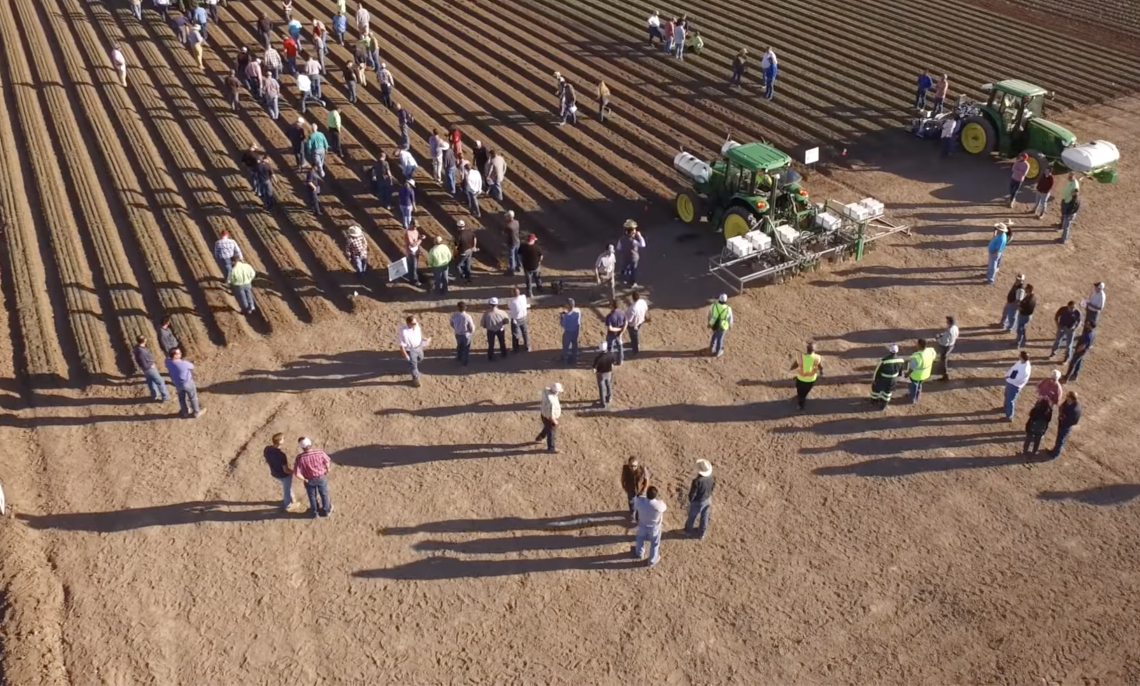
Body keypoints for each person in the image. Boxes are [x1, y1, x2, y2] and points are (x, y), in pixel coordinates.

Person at [294, 437, 332, 517]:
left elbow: (297, 473)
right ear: (310, 444)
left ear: (302, 447)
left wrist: (304, 479)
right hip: (321, 477)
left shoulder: (299, 458)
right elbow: (327, 460)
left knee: (312, 496)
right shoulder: (320, 452)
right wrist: (328, 468)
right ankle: (326, 511)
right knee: (324, 494)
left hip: (309, 480)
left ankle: (315, 512)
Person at [631, 486, 666, 567]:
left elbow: (637, 499)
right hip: (654, 527)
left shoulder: (640, 501)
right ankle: (652, 560)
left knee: (640, 538)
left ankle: (639, 553)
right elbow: (664, 507)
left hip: (642, 524)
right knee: (655, 543)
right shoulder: (659, 505)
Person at [166, 348, 205, 418]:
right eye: (179, 353)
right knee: (193, 397)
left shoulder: (167, 361)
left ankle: (184, 412)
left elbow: (167, 359)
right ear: (174, 355)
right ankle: (196, 412)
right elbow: (192, 366)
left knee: (181, 398)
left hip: (177, 383)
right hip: (187, 383)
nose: (181, 354)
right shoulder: (183, 363)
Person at [133, 335, 169, 402]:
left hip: (146, 370)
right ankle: (165, 397)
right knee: (160, 382)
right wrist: (151, 364)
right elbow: (143, 363)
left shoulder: (138, 348)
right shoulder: (141, 351)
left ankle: (154, 395)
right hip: (150, 369)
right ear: (144, 340)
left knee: (151, 382)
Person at [869, 344, 905, 410]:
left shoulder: (884, 361)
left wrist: (874, 380)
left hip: (883, 379)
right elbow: (900, 373)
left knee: (876, 390)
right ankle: (884, 405)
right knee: (888, 393)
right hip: (893, 380)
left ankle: (874, 401)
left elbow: (877, 371)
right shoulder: (901, 360)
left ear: (889, 351)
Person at [684, 460, 714, 539]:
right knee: (705, 517)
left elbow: (693, 493)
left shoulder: (697, 481)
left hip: (698, 501)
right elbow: (712, 487)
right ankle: (702, 533)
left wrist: (691, 499)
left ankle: (688, 531)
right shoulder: (712, 477)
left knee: (692, 516)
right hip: (707, 499)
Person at [264, 433, 294, 511]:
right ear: (280, 441)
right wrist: (294, 472)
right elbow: (286, 470)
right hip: (283, 475)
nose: (284, 439)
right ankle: (288, 505)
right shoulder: (281, 455)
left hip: (274, 473)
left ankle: (292, 497)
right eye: (283, 438)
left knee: (287, 486)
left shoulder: (267, 449)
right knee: (287, 489)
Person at [398, 315, 429, 387]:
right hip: (411, 350)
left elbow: (419, 334)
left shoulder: (416, 326)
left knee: (420, 358)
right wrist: (405, 355)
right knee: (414, 366)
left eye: (416, 322)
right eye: (413, 323)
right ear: (409, 324)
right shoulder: (403, 332)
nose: (415, 324)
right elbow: (401, 345)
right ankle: (415, 378)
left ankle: (412, 365)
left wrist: (424, 339)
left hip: (419, 347)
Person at [790, 342, 823, 410]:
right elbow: (820, 366)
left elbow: (795, 365)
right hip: (811, 379)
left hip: (801, 378)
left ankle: (800, 402)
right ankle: (802, 399)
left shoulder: (801, 357)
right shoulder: (817, 357)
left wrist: (791, 369)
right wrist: (821, 372)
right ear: (814, 350)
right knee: (805, 391)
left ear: (807, 349)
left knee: (799, 390)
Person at [1049, 392, 1081, 458]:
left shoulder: (1075, 410)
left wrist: (1063, 418)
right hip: (1062, 422)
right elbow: (1062, 406)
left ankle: (1055, 454)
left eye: (1068, 396)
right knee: (1058, 438)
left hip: (1066, 426)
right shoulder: (1067, 401)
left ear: (1072, 399)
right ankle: (1054, 450)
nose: (1066, 397)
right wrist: (1061, 414)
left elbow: (1074, 421)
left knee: (1061, 440)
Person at [1003, 350, 1032, 421]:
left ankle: (1009, 416)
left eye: (1020, 355)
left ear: (1022, 358)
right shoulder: (1021, 362)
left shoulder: (1025, 370)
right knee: (1007, 395)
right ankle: (1005, 407)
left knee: (1010, 400)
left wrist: (1009, 378)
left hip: (1014, 385)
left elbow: (1017, 379)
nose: (1018, 356)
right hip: (1010, 382)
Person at [907, 339, 936, 404]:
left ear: (919, 345)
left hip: (916, 375)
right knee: (920, 384)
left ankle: (913, 399)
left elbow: (912, 368)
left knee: (914, 386)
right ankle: (918, 395)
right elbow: (933, 357)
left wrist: (907, 374)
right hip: (926, 373)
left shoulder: (916, 357)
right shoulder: (930, 351)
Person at [536, 383, 562, 453]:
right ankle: (551, 448)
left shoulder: (546, 391)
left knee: (547, 427)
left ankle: (540, 437)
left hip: (543, 414)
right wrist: (554, 421)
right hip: (549, 418)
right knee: (551, 432)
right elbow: (551, 415)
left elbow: (546, 388)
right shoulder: (552, 403)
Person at [617, 220, 645, 287]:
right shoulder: (633, 241)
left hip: (625, 257)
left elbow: (619, 248)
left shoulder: (622, 239)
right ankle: (632, 282)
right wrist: (640, 236)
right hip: (634, 258)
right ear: (632, 231)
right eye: (634, 229)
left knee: (624, 269)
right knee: (633, 270)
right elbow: (643, 245)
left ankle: (623, 280)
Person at [450, 301, 475, 366]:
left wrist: (456, 329)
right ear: (465, 308)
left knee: (459, 346)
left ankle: (459, 357)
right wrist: (471, 332)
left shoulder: (454, 315)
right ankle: (464, 362)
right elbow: (471, 327)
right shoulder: (467, 317)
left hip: (458, 334)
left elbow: (451, 324)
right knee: (466, 348)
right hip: (466, 335)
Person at [592, 342, 616, 408]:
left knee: (602, 388)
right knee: (608, 385)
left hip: (601, 374)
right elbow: (613, 363)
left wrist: (595, 373)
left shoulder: (598, 358)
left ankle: (603, 403)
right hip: (608, 373)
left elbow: (594, 369)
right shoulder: (611, 354)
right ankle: (609, 397)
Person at [934, 315, 958, 381]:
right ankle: (942, 370)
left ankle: (945, 375)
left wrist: (938, 339)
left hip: (946, 346)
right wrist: (942, 335)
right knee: (944, 357)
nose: (946, 322)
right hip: (952, 344)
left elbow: (944, 343)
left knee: (943, 359)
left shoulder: (949, 331)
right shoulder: (955, 328)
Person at [603, 300, 627, 366]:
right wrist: (621, 331)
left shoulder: (609, 316)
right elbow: (626, 323)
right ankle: (620, 361)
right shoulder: (623, 313)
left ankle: (610, 362)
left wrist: (619, 329)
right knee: (620, 347)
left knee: (610, 348)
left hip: (611, 334)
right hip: (619, 334)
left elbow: (610, 328)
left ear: (612, 306)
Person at [1059, 172, 1080, 242]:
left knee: (1066, 226)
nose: (1069, 178)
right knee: (1065, 224)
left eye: (1071, 177)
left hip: (1069, 211)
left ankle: (1063, 239)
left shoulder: (1074, 200)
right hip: (1066, 202)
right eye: (1069, 176)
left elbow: (1073, 209)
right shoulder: (1070, 182)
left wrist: (1067, 214)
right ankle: (1061, 227)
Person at [626, 290, 648, 356]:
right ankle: (635, 344)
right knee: (636, 333)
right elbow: (646, 309)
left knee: (633, 336)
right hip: (641, 321)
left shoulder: (632, 308)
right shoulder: (643, 302)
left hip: (633, 324)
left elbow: (629, 320)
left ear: (633, 298)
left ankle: (635, 350)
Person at [1014, 283, 1037, 349]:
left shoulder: (1030, 300)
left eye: (1026, 289)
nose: (1025, 290)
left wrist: (1019, 306)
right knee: (1022, 329)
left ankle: (1018, 343)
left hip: (1024, 316)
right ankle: (1022, 341)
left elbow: (1025, 308)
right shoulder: (1031, 297)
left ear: (1029, 290)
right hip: (1026, 315)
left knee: (1020, 330)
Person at [508, 287, 529, 353]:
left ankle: (516, 348)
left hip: (516, 319)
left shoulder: (511, 301)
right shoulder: (523, 297)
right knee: (525, 332)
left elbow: (509, 307)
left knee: (515, 334)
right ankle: (527, 345)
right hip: (523, 317)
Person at [560, 299, 581, 365]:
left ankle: (565, 358)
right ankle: (574, 358)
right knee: (574, 343)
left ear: (569, 306)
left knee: (566, 345)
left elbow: (563, 324)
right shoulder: (578, 311)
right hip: (576, 330)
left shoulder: (566, 316)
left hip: (568, 332)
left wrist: (561, 317)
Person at [403, 221, 422, 286]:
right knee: (413, 266)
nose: (416, 227)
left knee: (414, 265)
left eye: (416, 226)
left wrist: (420, 237)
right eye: (414, 226)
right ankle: (414, 281)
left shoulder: (416, 231)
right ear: (411, 224)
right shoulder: (408, 233)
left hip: (416, 250)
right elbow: (412, 244)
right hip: (411, 252)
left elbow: (417, 238)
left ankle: (412, 277)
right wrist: (420, 240)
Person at [502, 211, 521, 275]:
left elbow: (504, 232)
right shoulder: (517, 222)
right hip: (517, 241)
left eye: (507, 217)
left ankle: (511, 270)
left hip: (512, 242)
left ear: (509, 217)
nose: (505, 218)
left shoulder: (508, 226)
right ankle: (518, 267)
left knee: (511, 256)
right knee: (517, 255)